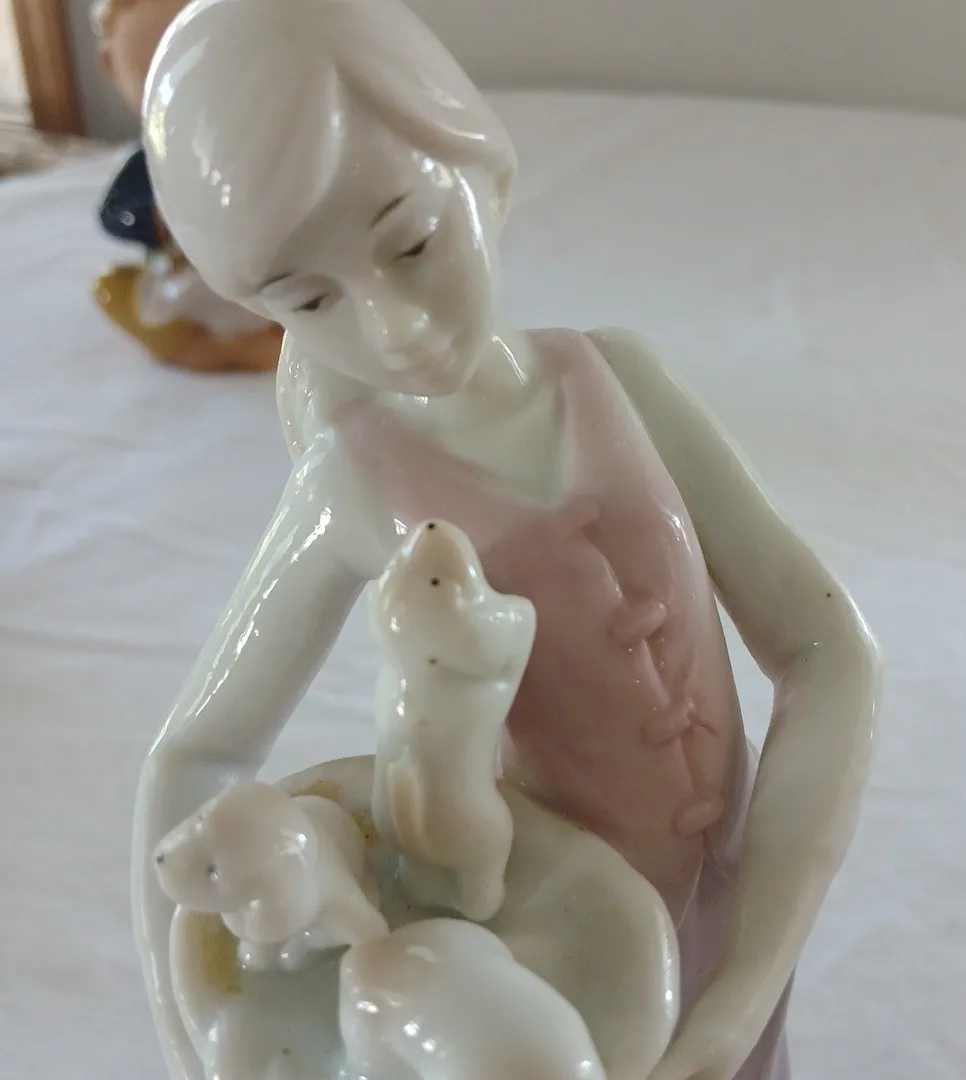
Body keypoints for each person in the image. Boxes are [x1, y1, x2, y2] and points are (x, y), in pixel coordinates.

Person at [134, 1, 882, 1078]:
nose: (393, 328)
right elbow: (198, 752)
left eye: (412, 243)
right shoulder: (353, 482)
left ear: (484, 168)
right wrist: (196, 1028)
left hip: (745, 888)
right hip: (563, 948)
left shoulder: (622, 380)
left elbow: (826, 650)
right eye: (309, 300)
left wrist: (748, 983)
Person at [90, 0, 283, 372]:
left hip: (256, 270)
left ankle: (272, 340)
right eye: (154, 72)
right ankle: (209, 347)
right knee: (120, 291)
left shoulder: (255, 148)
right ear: (111, 68)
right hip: (186, 271)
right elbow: (113, 216)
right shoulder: (150, 162)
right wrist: (154, 216)